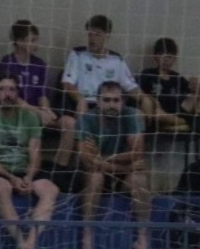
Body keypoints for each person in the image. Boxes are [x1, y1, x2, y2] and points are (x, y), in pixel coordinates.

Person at [0, 72, 61, 249]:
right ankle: (20, 243)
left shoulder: (29, 117)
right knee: (0, 187)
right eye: (2, 89)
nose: (7, 94)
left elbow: (35, 152)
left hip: (23, 170)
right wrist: (11, 178)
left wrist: (28, 176)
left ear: (18, 93)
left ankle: (30, 245)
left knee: (50, 188)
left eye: (12, 89)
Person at [79, 79, 151, 249]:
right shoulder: (86, 118)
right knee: (95, 176)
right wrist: (126, 164)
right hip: (98, 175)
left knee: (139, 178)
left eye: (116, 100)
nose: (112, 105)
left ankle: (142, 237)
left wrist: (104, 159)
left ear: (123, 102)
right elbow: (87, 160)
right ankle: (88, 236)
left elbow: (137, 153)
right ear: (98, 101)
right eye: (107, 100)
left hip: (120, 177)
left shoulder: (133, 116)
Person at [57, 14, 141, 172]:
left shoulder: (116, 60)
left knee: (137, 114)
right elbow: (67, 84)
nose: (92, 38)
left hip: (110, 106)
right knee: (80, 119)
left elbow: (131, 86)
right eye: (90, 33)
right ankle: (78, 167)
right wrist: (80, 99)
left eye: (97, 34)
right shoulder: (78, 54)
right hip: (86, 104)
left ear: (107, 36)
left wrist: (146, 100)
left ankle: (110, 165)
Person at [137, 37, 200, 134]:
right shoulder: (148, 74)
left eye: (170, 57)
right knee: (157, 113)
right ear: (155, 56)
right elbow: (138, 93)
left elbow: (190, 93)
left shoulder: (176, 77)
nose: (166, 60)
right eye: (162, 56)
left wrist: (195, 86)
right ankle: (193, 122)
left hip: (179, 110)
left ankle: (198, 118)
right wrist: (150, 99)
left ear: (174, 59)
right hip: (160, 113)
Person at [0, 19, 57, 130]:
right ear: (19, 42)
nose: (36, 44)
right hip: (14, 109)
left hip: (35, 111)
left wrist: (46, 110)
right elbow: (11, 97)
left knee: (54, 119)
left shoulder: (40, 64)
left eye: (37, 40)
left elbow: (42, 94)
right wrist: (37, 112)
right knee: (32, 119)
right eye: (33, 40)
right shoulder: (8, 62)